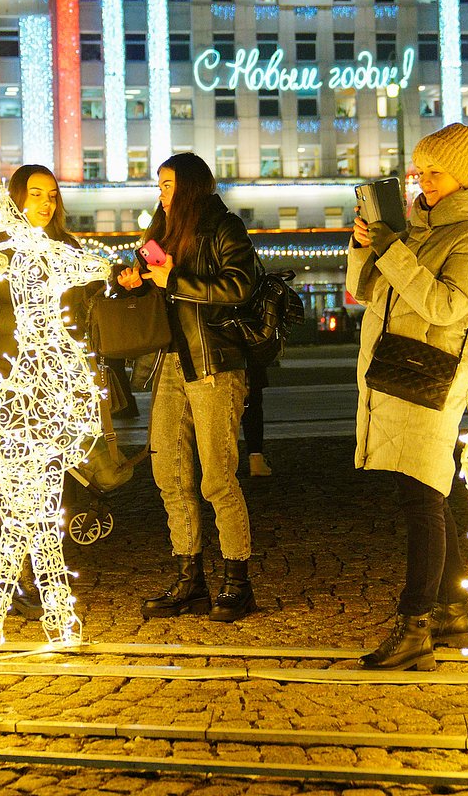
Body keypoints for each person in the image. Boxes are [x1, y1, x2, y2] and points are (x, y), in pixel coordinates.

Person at [347, 123, 468, 671]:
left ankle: (416, 626)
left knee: (422, 498)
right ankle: (455, 608)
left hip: (430, 375)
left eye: (434, 171)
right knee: (425, 491)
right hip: (397, 369)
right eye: (419, 171)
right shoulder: (418, 226)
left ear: (463, 174)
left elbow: (447, 307)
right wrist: (367, 245)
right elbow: (363, 291)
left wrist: (395, 251)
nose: (423, 180)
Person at [0, 164, 102, 619]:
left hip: (55, 386)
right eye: (35, 194)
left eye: (52, 195)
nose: (46, 202)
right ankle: (25, 583)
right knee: (19, 494)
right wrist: (36, 318)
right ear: (16, 198)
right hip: (8, 384)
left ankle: (37, 581)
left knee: (51, 491)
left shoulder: (64, 248)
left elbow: (85, 303)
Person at [118, 152, 258, 623]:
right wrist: (135, 282)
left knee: (217, 475)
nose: (162, 192)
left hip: (214, 362)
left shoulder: (223, 225)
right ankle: (189, 579)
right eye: (159, 184)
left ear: (192, 185)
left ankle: (238, 582)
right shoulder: (161, 230)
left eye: (170, 183)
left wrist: (173, 278)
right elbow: (160, 290)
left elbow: (240, 286)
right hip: (171, 363)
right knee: (169, 474)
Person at [241, 363, 272, 477]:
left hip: (221, 363)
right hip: (249, 364)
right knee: (252, 411)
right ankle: (256, 459)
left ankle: (221, 462)